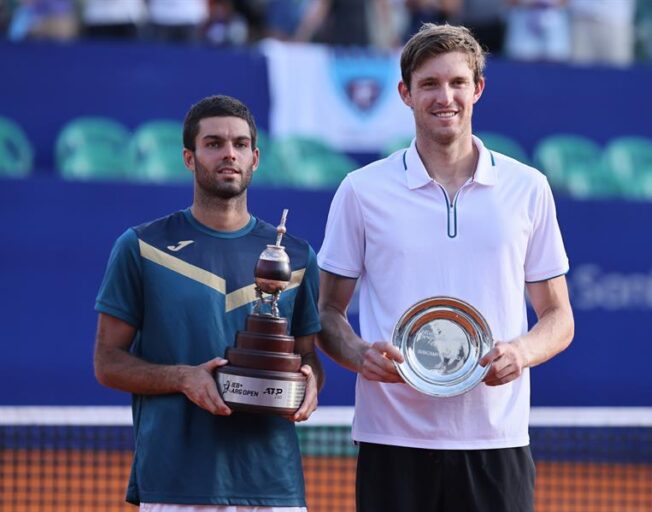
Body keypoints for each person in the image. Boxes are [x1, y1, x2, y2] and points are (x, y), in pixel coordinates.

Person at [317, 23, 574, 512]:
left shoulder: (528, 187)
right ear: (405, 94)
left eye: (457, 83)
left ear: (477, 89)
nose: (445, 97)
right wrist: (357, 354)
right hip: (392, 438)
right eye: (429, 84)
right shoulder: (361, 190)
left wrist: (520, 352)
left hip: (495, 440)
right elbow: (328, 312)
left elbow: (559, 317)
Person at [93, 95, 323, 511]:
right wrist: (183, 378)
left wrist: (310, 386)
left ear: (255, 157)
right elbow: (107, 362)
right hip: (175, 483)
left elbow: (308, 355)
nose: (228, 154)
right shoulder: (142, 247)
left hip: (272, 483)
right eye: (214, 143)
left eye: (239, 144)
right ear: (188, 157)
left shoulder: (298, 256)